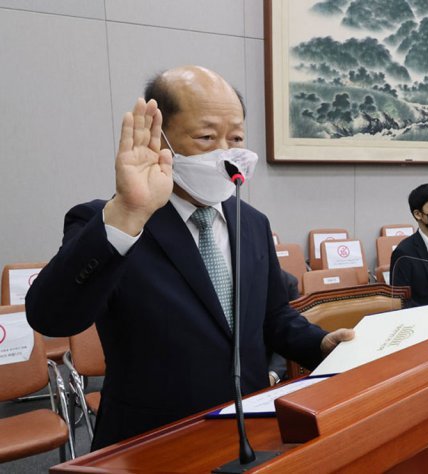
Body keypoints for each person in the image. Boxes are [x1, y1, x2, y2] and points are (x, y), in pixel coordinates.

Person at [26, 65, 353, 450]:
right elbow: (51, 315)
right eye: (206, 137)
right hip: (152, 440)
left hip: (248, 430)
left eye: (235, 138)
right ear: (159, 137)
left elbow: (271, 315)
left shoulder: (251, 223)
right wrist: (127, 213)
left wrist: (319, 344)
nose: (225, 152)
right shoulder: (114, 220)